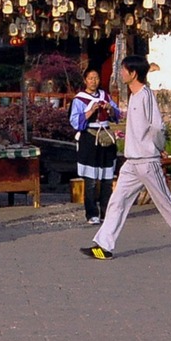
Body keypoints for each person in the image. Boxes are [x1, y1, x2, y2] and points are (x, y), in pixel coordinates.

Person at [83, 56, 171, 260]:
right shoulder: (134, 96)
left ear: (133, 73)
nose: (120, 73)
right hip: (132, 162)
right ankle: (104, 245)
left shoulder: (146, 96)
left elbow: (157, 127)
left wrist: (159, 147)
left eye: (123, 70)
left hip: (147, 160)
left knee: (165, 201)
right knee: (117, 200)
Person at [69, 67, 119, 225]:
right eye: (90, 78)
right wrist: (90, 111)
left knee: (106, 178)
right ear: (85, 81)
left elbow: (116, 115)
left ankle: (106, 212)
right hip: (89, 139)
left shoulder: (105, 96)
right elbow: (75, 121)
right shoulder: (79, 100)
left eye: (96, 78)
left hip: (105, 138)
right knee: (90, 180)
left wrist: (110, 109)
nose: (93, 81)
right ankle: (92, 214)